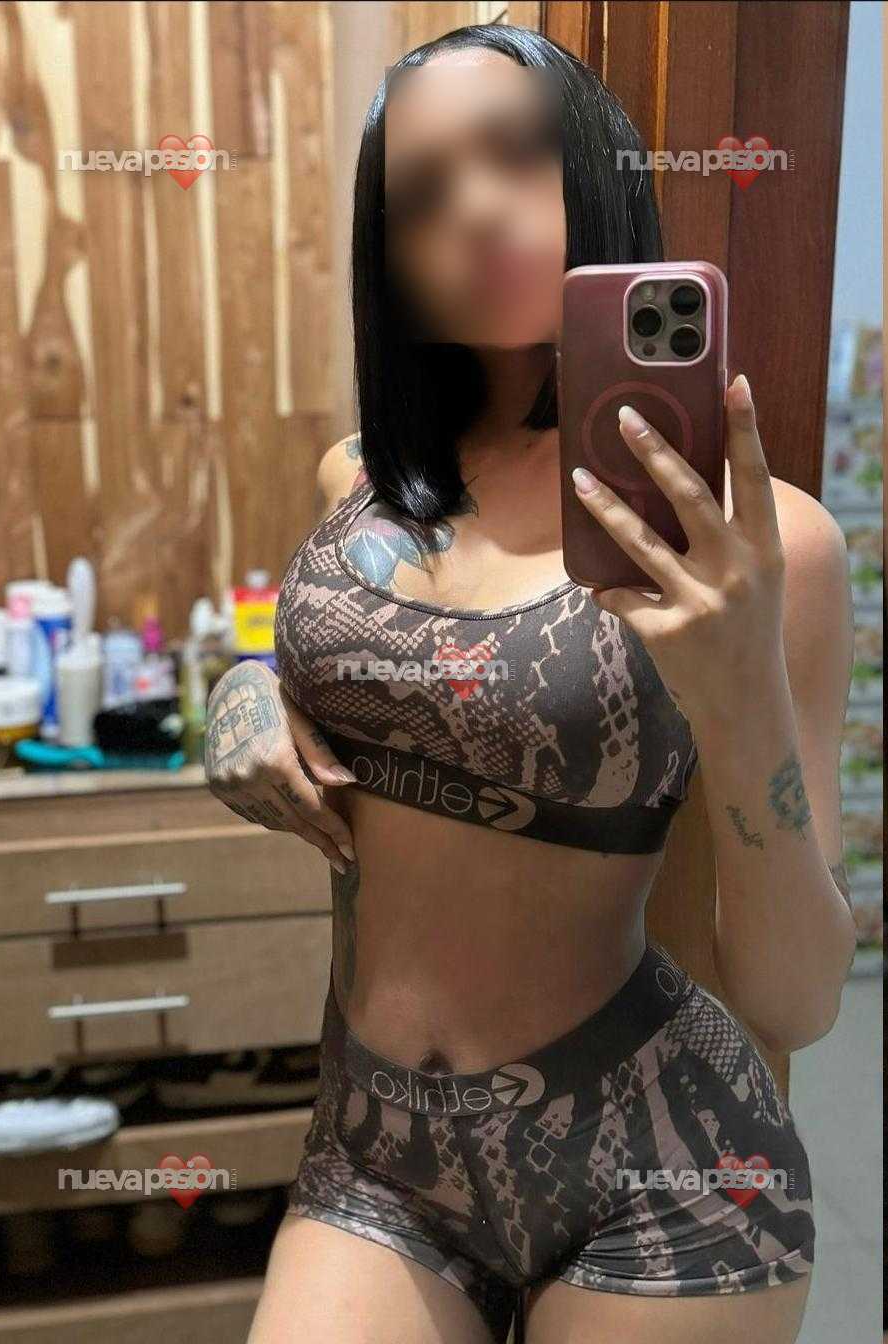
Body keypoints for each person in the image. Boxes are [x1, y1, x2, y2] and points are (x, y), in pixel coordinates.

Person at [205, 23, 856, 1344]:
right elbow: (315, 680)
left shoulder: (767, 544)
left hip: (664, 1170)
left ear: (599, 168)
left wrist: (739, 691)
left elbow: (797, 997)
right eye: (421, 195)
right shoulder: (362, 485)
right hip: (376, 1156)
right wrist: (240, 691)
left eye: (517, 153)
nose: (477, 210)